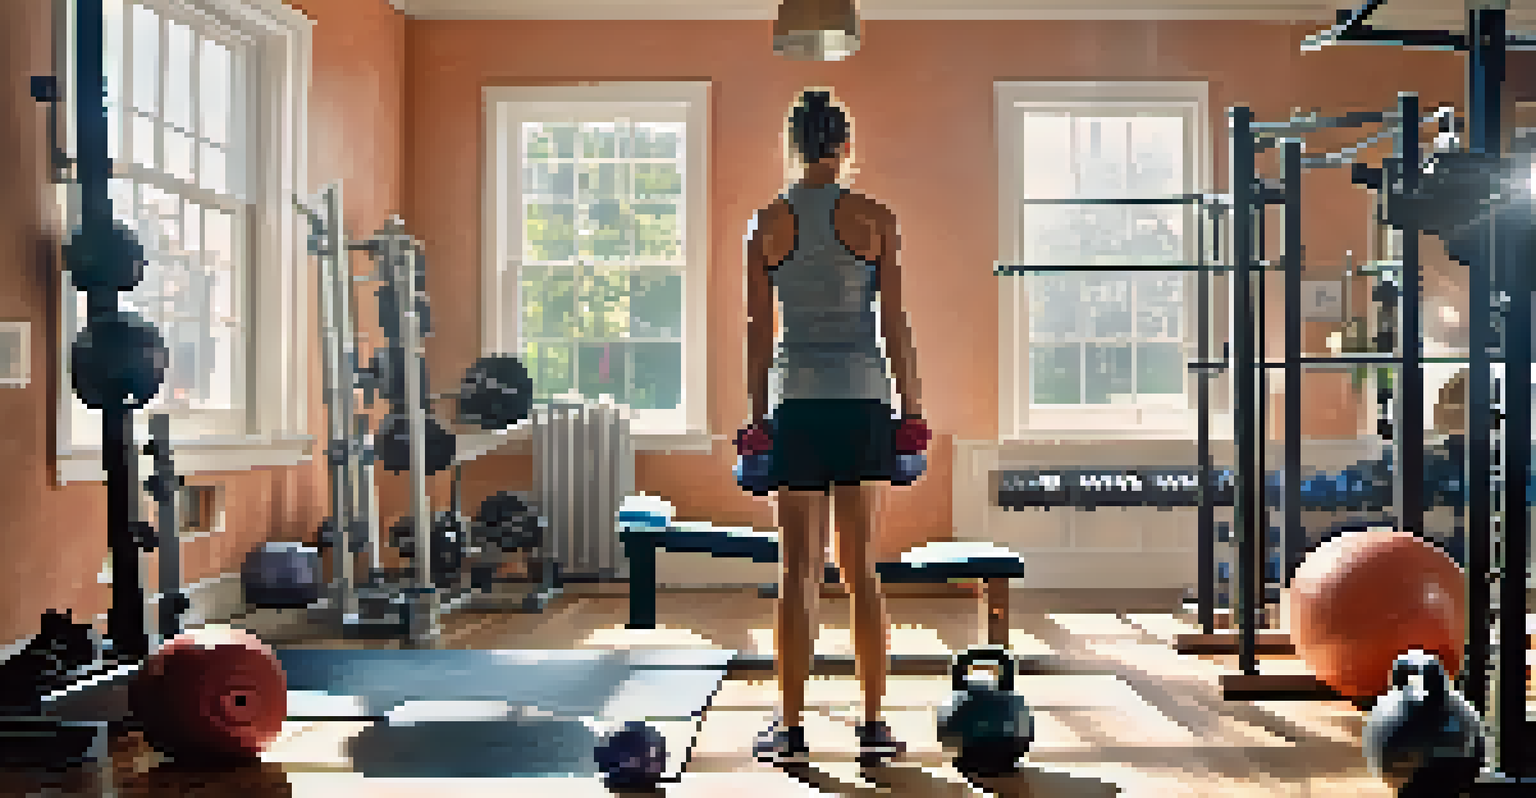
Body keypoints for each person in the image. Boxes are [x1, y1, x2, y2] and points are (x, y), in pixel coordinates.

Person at [739, 88, 927, 769]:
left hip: (799, 401)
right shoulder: (876, 218)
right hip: (864, 400)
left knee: (798, 571)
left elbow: (759, 333)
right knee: (862, 568)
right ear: (844, 145)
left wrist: (757, 418)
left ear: (793, 145)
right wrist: (913, 410)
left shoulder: (766, 224)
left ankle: (789, 728)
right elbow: (895, 326)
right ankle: (874, 724)